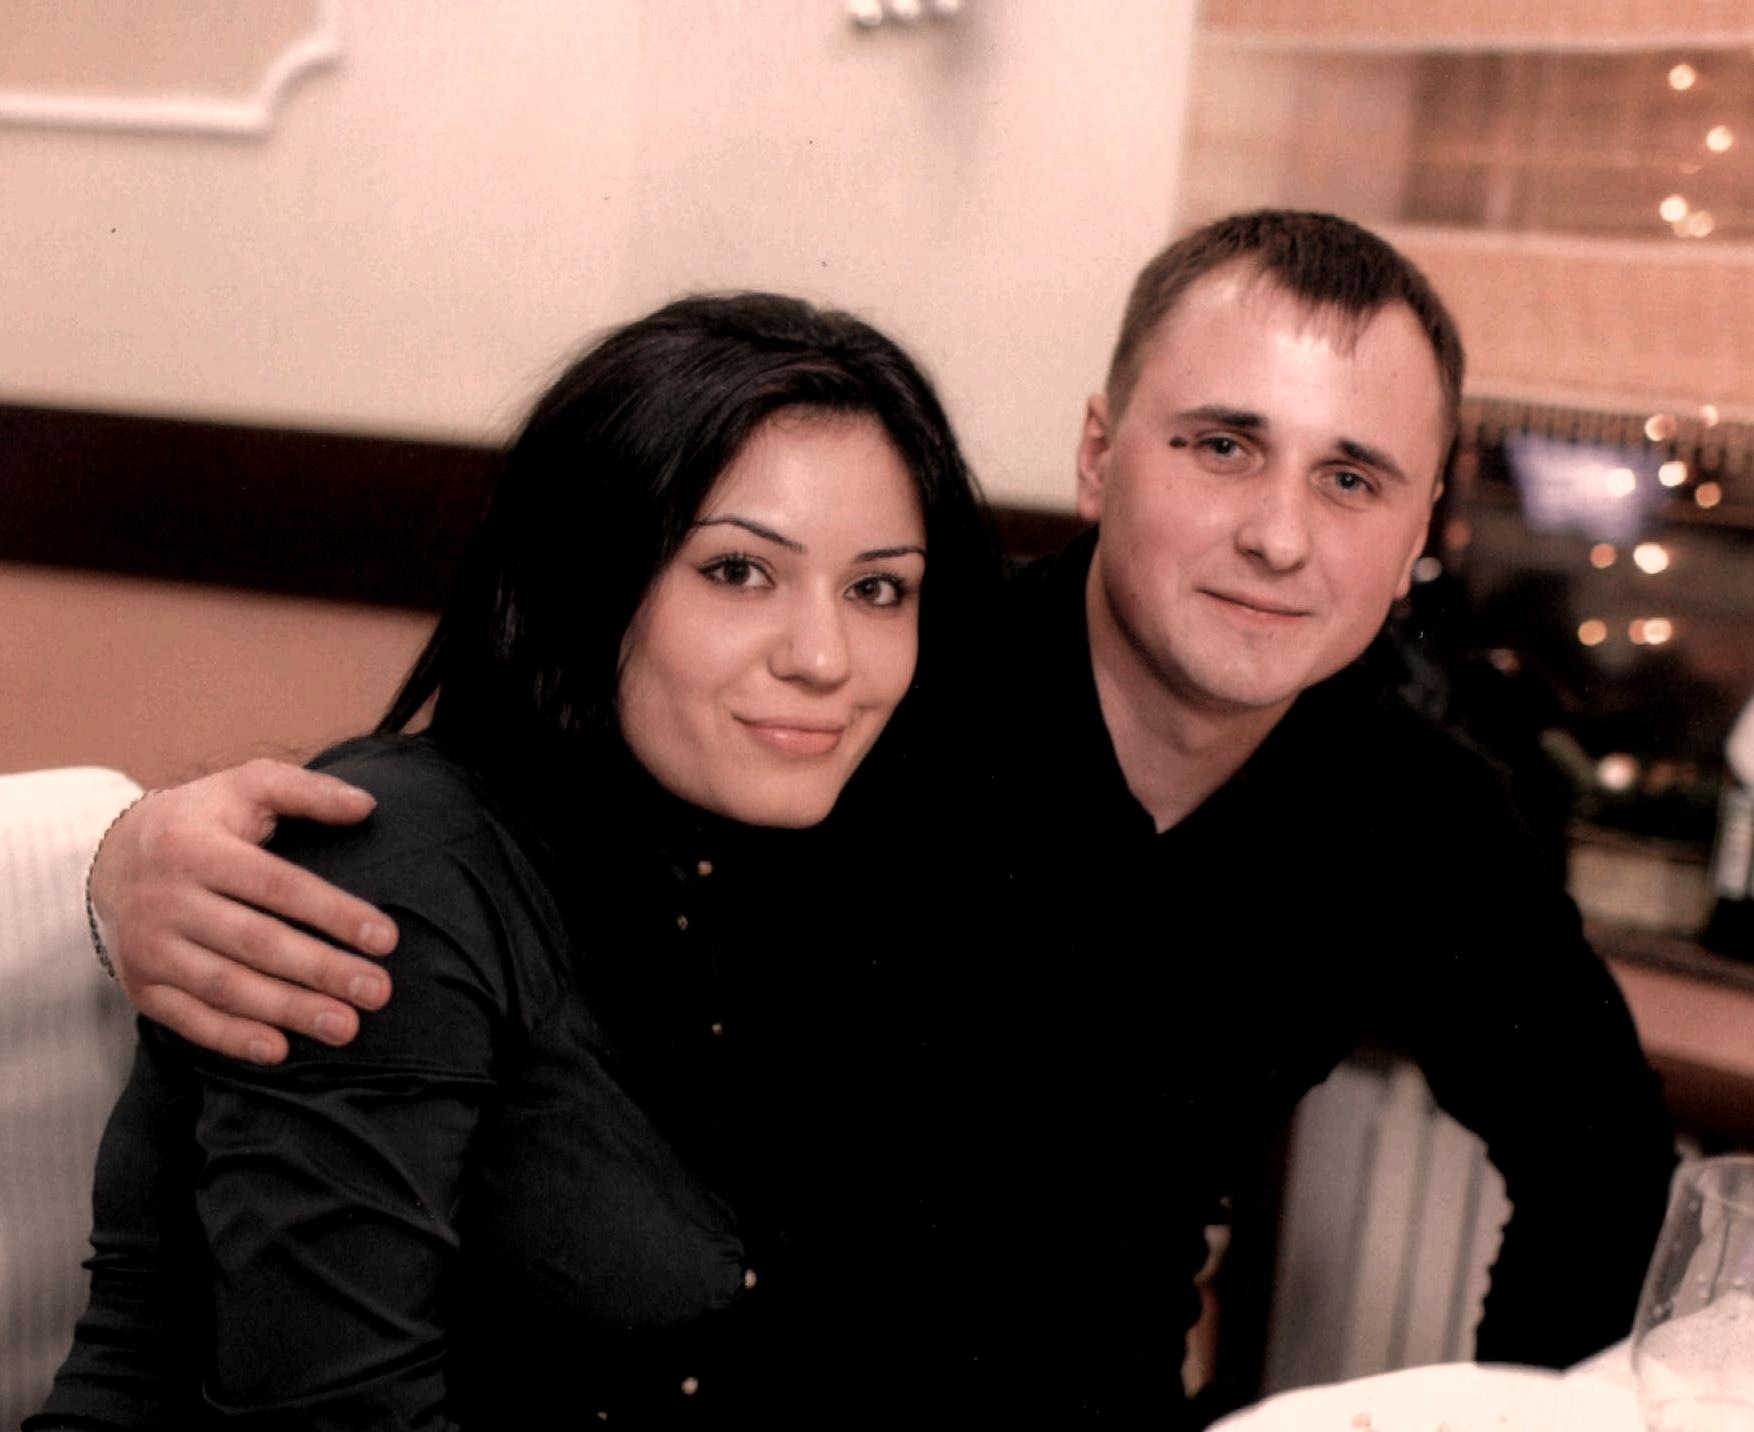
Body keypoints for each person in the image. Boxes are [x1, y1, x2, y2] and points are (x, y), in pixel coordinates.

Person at [74, 212, 1677, 1421]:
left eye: (1350, 479)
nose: (1276, 534)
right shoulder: (876, 691)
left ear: (1420, 528)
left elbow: (1602, 1159)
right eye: (1219, 445)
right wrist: (120, 858)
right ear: (1099, 454)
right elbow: (502, 817)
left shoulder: (1413, 808)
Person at [31, 292, 1007, 1429]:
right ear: (589, 578)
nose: (825, 657)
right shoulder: (403, 867)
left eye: (877, 588)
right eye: (739, 572)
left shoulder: (791, 863)